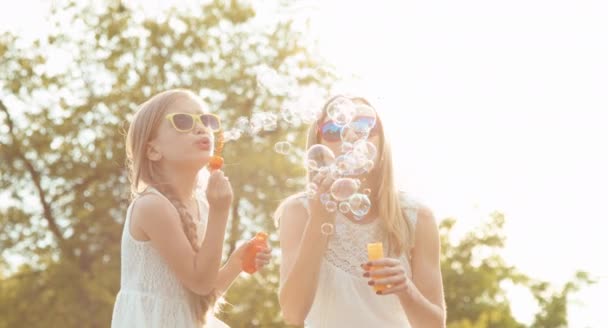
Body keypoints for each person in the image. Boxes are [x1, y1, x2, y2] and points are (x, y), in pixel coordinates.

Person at [275, 95, 446, 327]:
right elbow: (293, 314)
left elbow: (435, 325)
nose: (351, 137)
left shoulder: (416, 216)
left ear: (381, 141)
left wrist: (406, 288)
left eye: (364, 127)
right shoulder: (298, 212)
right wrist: (320, 219)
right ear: (319, 143)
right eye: (334, 130)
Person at [111, 89, 271, 328]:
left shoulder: (201, 204)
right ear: (153, 150)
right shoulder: (152, 206)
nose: (201, 128)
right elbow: (200, 281)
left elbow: (200, 296)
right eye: (183, 121)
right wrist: (220, 212)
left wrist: (236, 264)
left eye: (206, 120)